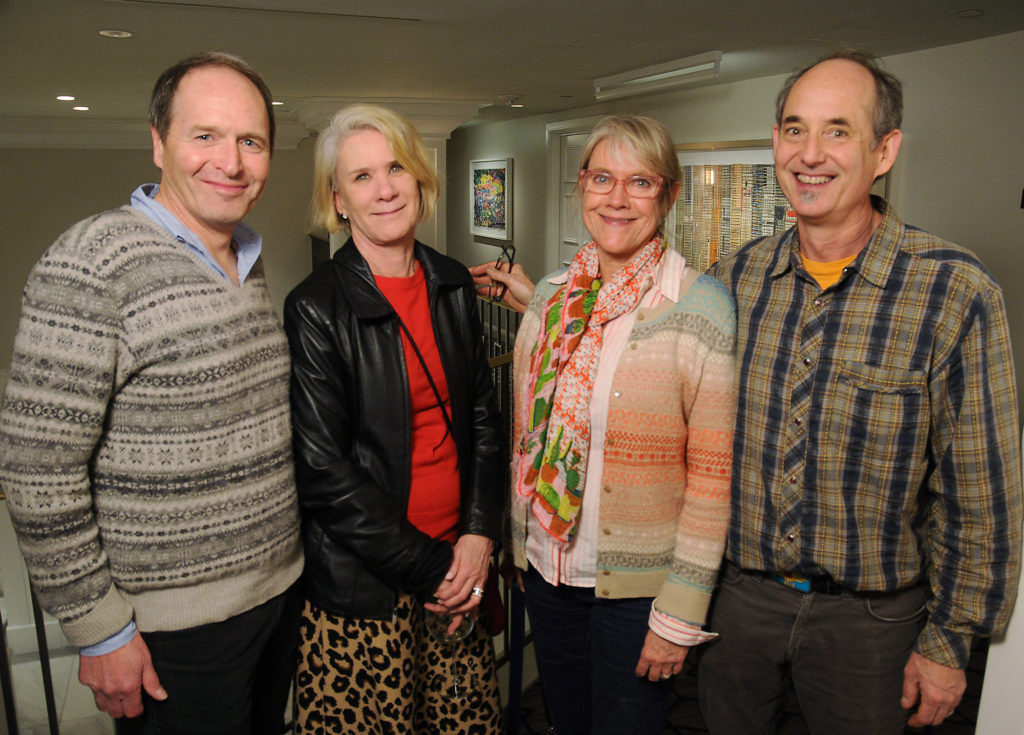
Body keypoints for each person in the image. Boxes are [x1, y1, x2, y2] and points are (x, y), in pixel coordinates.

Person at [698, 49, 1022, 733]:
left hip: (872, 622)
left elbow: (981, 490)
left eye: (837, 130)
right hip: (739, 602)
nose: (809, 154)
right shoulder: (737, 276)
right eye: (793, 129)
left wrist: (949, 642)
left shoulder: (953, 290)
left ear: (885, 150)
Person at [0, 52, 303, 735]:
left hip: (275, 599)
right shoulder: (91, 261)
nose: (230, 161)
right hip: (172, 634)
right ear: (158, 141)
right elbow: (35, 469)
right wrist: (99, 629)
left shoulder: (246, 260)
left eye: (250, 141)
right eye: (205, 136)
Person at [508, 113, 737, 735]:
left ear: (667, 194)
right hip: (548, 572)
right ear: (581, 185)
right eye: (602, 178)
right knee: (564, 722)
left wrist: (680, 612)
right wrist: (518, 550)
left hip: (638, 595)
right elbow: (523, 437)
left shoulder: (700, 307)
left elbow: (713, 480)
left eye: (640, 182)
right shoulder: (552, 297)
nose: (616, 199)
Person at [284, 104, 504, 734]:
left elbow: (485, 421)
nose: (384, 189)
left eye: (395, 168)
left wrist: (480, 537)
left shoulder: (452, 284)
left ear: (419, 179)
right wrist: (434, 571)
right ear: (339, 201)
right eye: (361, 177)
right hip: (364, 590)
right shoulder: (316, 307)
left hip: (460, 564)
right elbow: (324, 472)